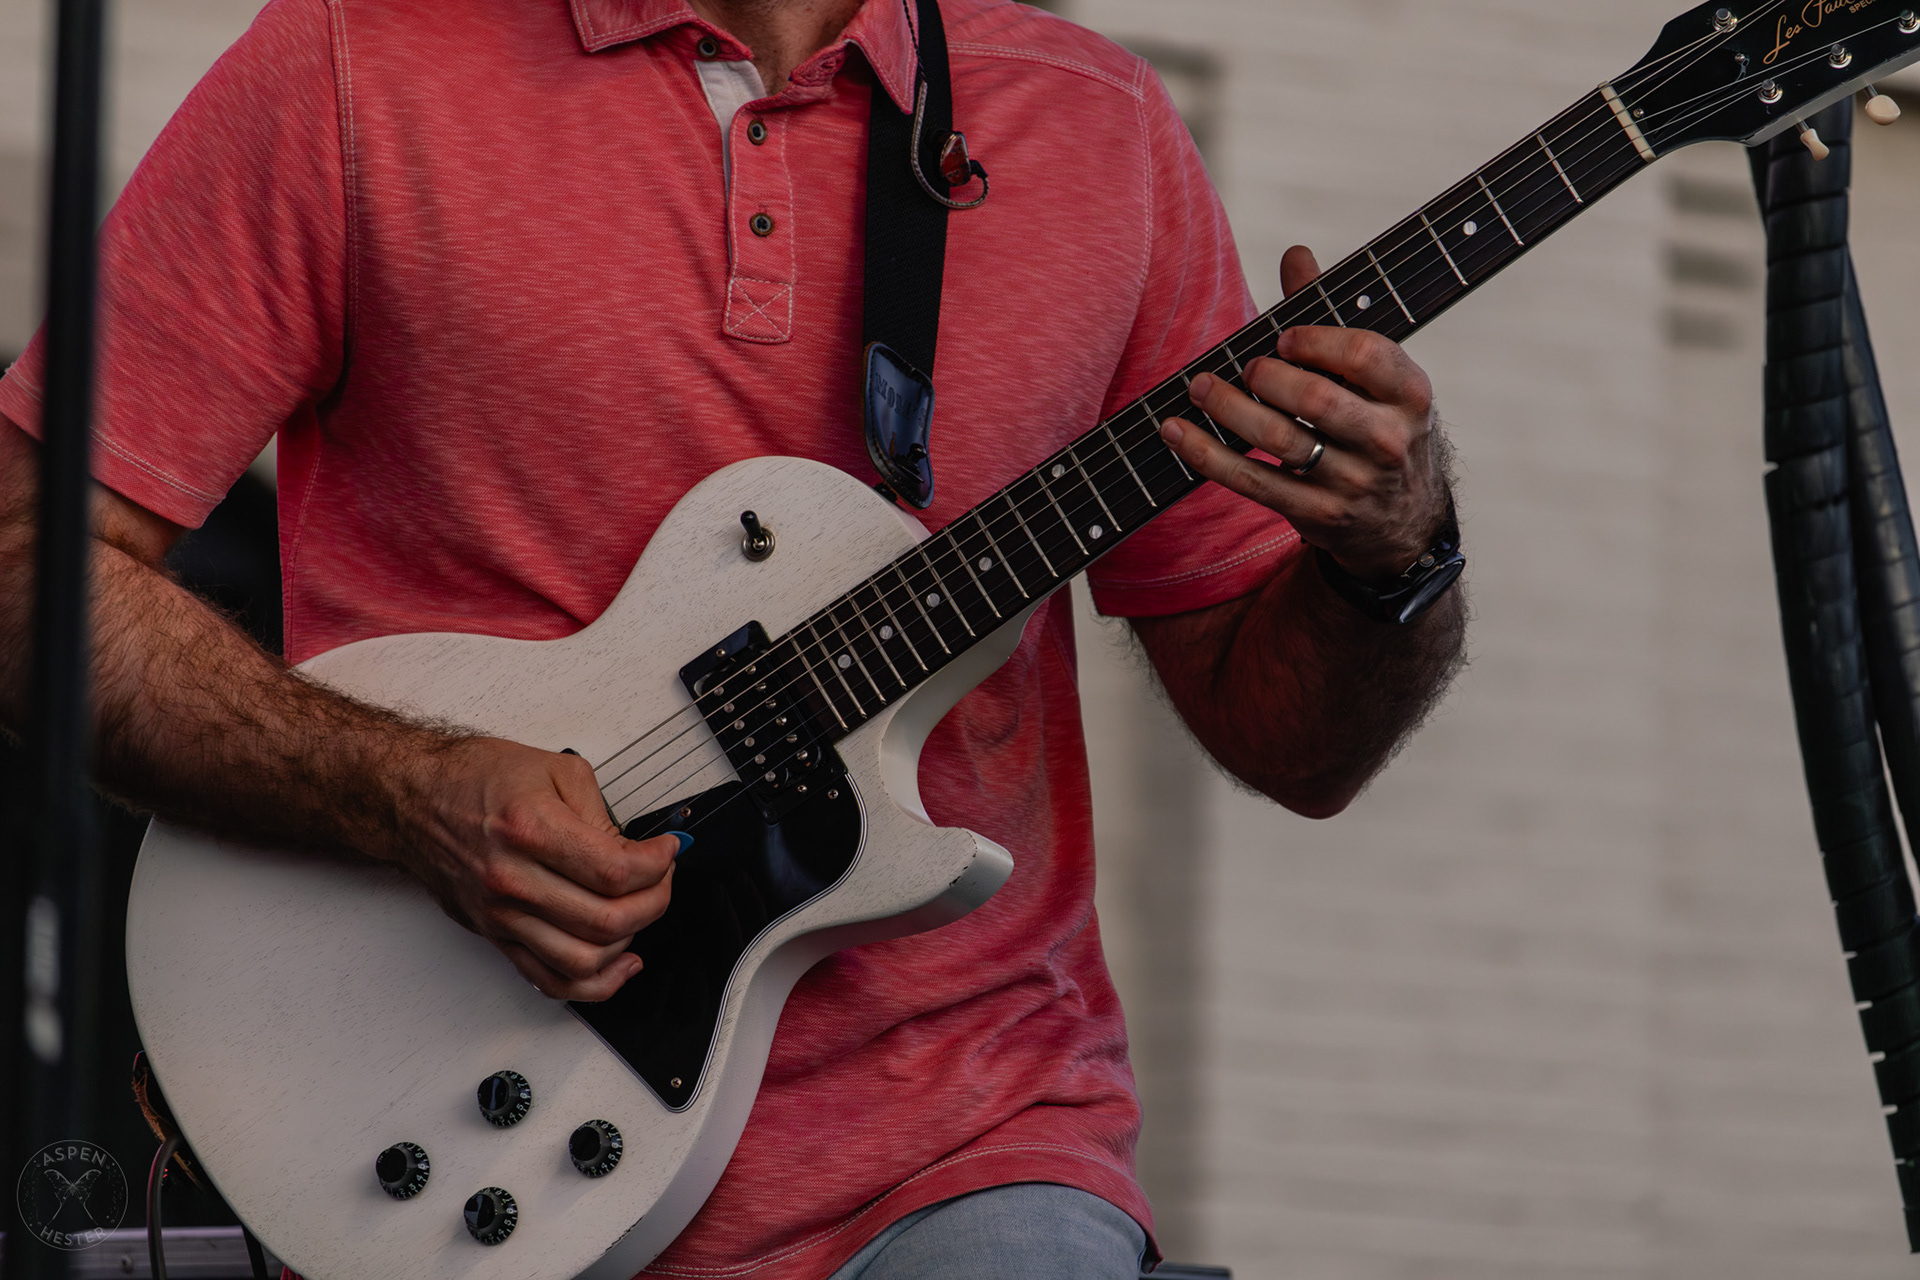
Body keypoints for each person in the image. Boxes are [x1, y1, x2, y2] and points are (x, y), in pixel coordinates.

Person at [0, 0, 1465, 1275]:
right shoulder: (347, 69)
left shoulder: (1103, 134)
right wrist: (401, 795)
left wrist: (1393, 556)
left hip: (969, 1151)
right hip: (445, 1132)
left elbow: (1297, 744)